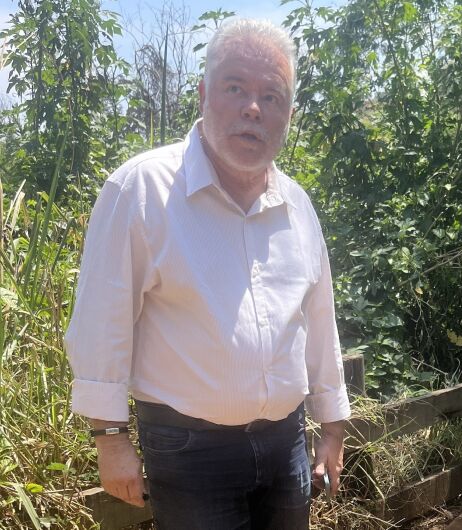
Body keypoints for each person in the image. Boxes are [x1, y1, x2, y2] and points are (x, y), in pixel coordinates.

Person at [65, 18, 350, 529]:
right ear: (203, 94)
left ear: (289, 115)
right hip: (188, 450)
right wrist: (110, 439)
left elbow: (319, 320)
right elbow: (101, 322)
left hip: (287, 440)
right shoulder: (141, 190)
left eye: (272, 96)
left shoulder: (297, 206)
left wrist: (332, 427)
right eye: (235, 87)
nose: (253, 108)